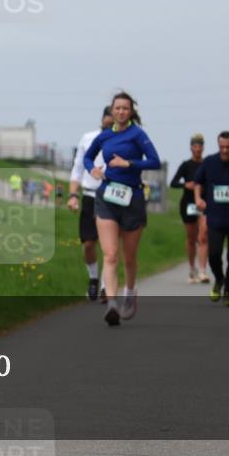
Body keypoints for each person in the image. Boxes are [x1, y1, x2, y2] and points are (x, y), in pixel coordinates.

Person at [82, 92, 161, 326]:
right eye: (117, 108)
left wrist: (130, 163)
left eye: (125, 108)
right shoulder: (104, 136)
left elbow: (154, 161)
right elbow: (87, 157)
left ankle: (130, 292)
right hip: (107, 197)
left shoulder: (138, 134)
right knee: (111, 254)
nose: (121, 112)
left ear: (131, 111)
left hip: (132, 198)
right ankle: (112, 304)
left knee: (129, 256)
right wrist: (93, 170)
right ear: (111, 110)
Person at [68, 106, 115, 301]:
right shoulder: (88, 138)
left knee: (108, 246)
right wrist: (72, 195)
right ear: (103, 118)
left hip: (111, 196)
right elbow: (77, 168)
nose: (111, 120)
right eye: (109, 116)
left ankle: (106, 286)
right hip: (89, 195)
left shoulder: (123, 140)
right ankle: (94, 278)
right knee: (88, 243)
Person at [194, 131, 229, 306]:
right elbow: (198, 182)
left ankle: (228, 291)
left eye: (228, 148)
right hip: (214, 218)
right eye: (222, 147)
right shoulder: (209, 162)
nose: (225, 151)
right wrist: (198, 198)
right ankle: (220, 279)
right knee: (214, 254)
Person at [171, 134, 209, 284]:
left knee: (203, 236)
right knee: (191, 238)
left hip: (204, 203)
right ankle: (192, 268)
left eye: (200, 146)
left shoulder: (207, 164)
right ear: (191, 148)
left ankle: (203, 271)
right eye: (195, 146)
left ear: (203, 148)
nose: (198, 149)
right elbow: (173, 182)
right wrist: (185, 185)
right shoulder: (186, 165)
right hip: (188, 204)